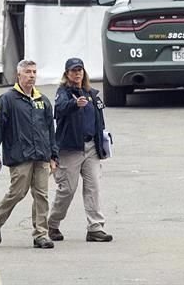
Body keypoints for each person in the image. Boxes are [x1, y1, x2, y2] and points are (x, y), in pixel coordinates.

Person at [0, 59, 58, 249]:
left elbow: (50, 129)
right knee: (18, 192)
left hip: (41, 155)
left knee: (41, 195)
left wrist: (53, 155)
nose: (32, 75)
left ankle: (41, 234)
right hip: (20, 156)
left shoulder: (43, 101)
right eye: (28, 72)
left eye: (34, 72)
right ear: (19, 75)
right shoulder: (8, 99)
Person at [48, 57, 113, 242]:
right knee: (67, 189)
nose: (77, 74)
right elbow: (58, 110)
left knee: (94, 187)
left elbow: (99, 120)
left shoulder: (91, 93)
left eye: (80, 70)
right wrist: (74, 104)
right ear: (67, 74)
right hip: (70, 149)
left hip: (91, 147)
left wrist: (102, 142)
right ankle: (52, 224)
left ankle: (95, 227)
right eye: (73, 71)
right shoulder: (63, 93)